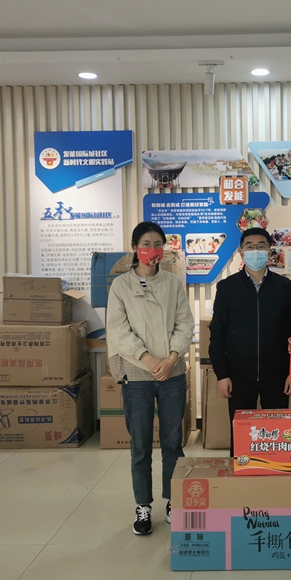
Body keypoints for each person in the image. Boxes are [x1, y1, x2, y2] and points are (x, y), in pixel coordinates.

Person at [107, 222, 194, 536]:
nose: (152, 250)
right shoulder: (121, 286)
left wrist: (170, 359)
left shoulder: (173, 283)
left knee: (172, 441)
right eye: (146, 243)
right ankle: (143, 505)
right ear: (134, 247)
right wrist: (148, 359)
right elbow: (118, 331)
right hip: (137, 372)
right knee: (141, 444)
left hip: (172, 372)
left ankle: (172, 500)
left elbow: (185, 324)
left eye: (158, 244)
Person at [209, 228, 291, 452]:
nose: (255, 250)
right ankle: (241, 474)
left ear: (269, 251)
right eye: (250, 246)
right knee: (241, 436)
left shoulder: (285, 287)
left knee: (277, 436)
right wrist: (222, 375)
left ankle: (275, 472)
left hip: (277, 376)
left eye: (261, 246)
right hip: (239, 377)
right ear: (241, 252)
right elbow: (217, 334)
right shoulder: (227, 288)